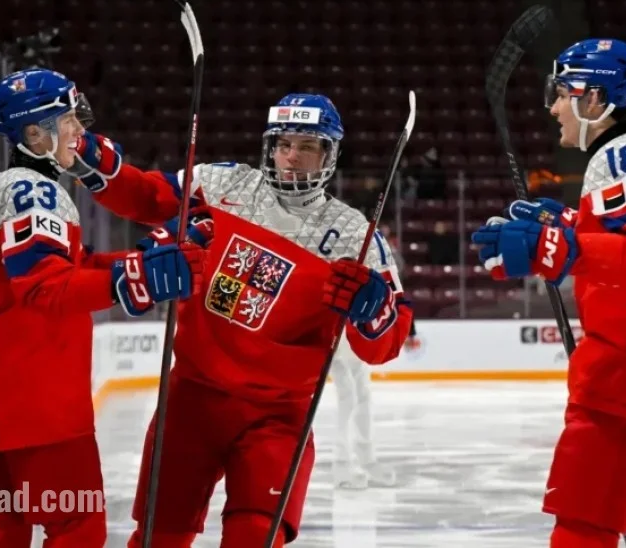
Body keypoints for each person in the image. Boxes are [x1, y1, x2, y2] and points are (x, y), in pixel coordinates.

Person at [71, 93, 413, 547]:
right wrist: (90, 157)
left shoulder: (354, 235)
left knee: (254, 538)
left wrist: (374, 311)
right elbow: (145, 196)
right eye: (283, 144)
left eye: (307, 147)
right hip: (191, 400)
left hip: (278, 417)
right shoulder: (221, 186)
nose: (292, 157)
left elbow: (385, 343)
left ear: (330, 155)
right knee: (158, 537)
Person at [471, 39, 626, 547]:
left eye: (562, 93)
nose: (553, 108)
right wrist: (568, 223)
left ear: (596, 99)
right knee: (590, 523)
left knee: (582, 529)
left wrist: (557, 248)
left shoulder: (622, 155)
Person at [0, 68, 203, 547]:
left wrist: (141, 259)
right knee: (78, 529)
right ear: (33, 132)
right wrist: (132, 282)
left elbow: (74, 264)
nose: (79, 132)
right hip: (36, 399)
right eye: (66, 119)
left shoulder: (10, 187)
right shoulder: (35, 189)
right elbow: (47, 288)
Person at [330, 333, 397, 489]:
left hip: (353, 329)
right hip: (331, 329)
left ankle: (366, 459)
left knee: (363, 393)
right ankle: (342, 464)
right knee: (348, 396)